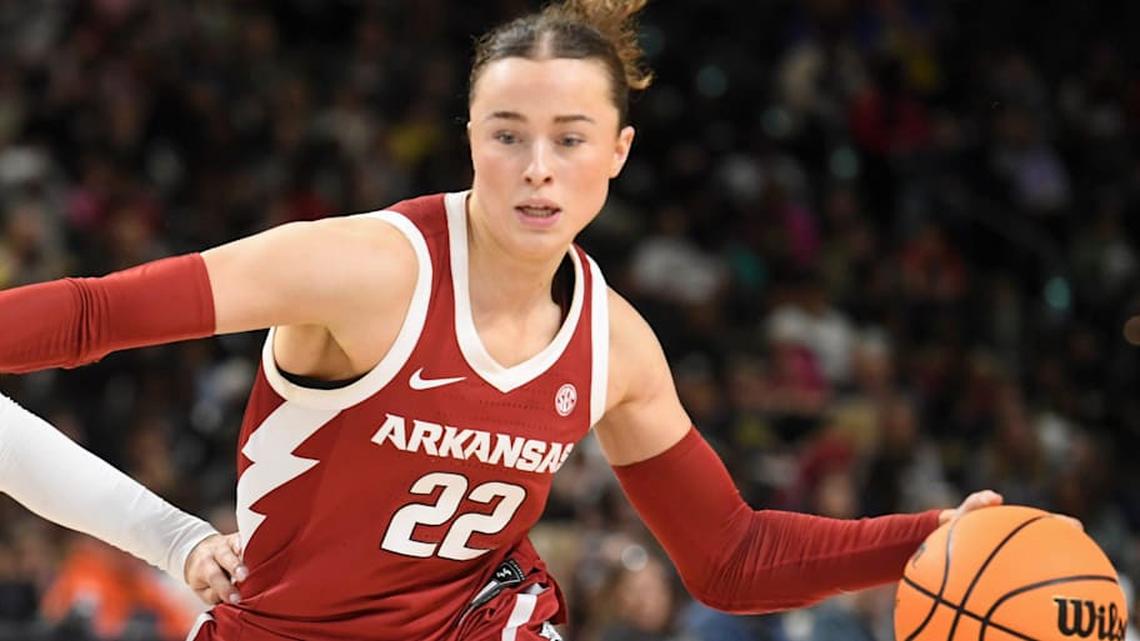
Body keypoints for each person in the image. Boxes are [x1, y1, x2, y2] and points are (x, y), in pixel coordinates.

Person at [0, 1, 1009, 639]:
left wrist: (933, 539)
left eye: (570, 138)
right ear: (470, 139)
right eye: (508, 133)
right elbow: (94, 312)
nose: (537, 166)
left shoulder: (617, 344)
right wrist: (173, 538)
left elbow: (730, 556)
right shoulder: (362, 266)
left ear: (616, 151)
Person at [0, 393, 247, 607]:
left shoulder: (139, 584)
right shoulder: (82, 572)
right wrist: (180, 543)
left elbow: (9, 442)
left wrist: (181, 543)